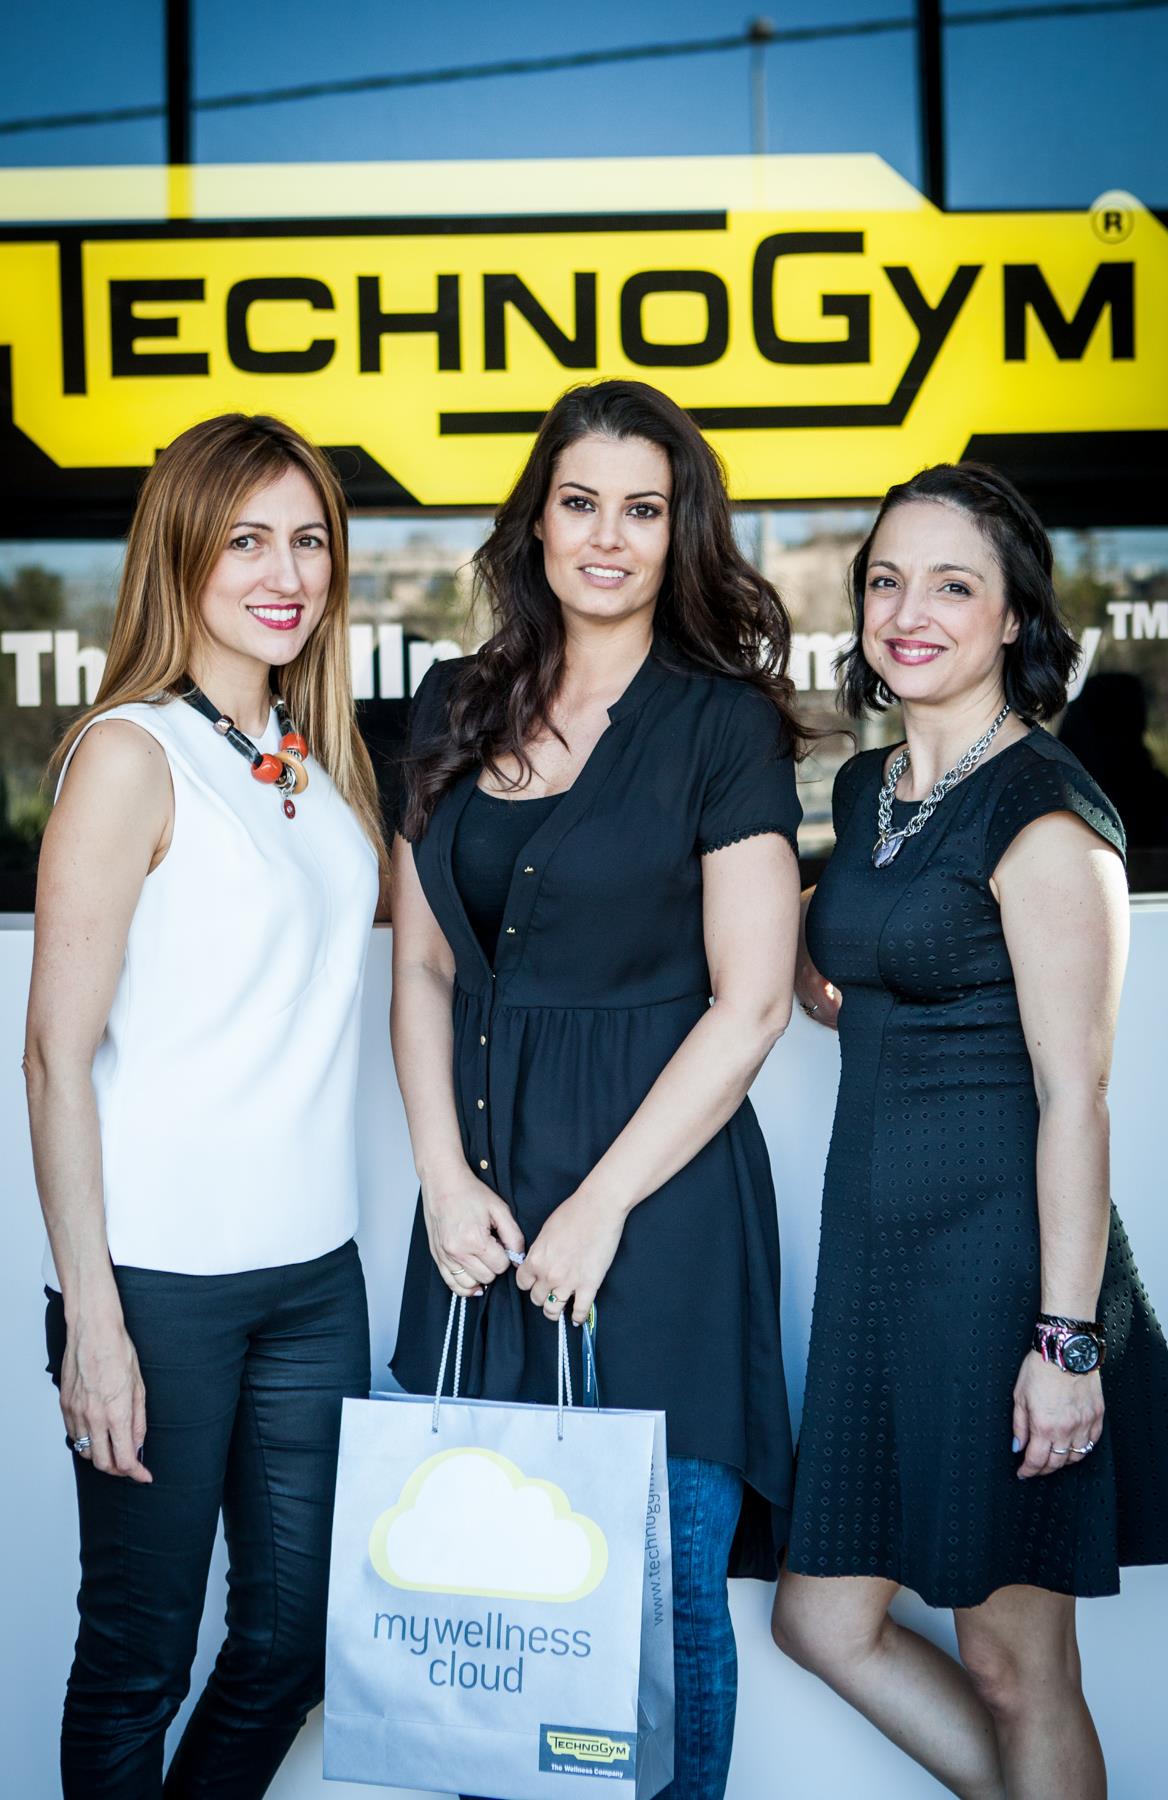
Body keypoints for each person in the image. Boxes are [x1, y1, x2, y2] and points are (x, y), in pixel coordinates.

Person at [389, 378, 804, 1797]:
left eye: (644, 508)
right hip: (480, 1216)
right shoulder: (454, 703)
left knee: (665, 1603)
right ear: (537, 523)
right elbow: (423, 968)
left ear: (681, 530)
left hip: (662, 1217)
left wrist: (602, 1206)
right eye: (580, 504)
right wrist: (441, 1179)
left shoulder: (723, 724)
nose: (608, 537)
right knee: (479, 1607)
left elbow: (753, 1005)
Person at [775, 462, 1168, 1799]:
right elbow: (857, 973)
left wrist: (1066, 1341)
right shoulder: (867, 792)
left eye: (953, 585)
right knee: (822, 1620)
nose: (910, 612)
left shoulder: (1044, 809)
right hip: (881, 1276)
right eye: (887, 581)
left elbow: (1077, 1095)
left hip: (1005, 1282)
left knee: (1016, 1668)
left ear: (1012, 617)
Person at [24, 413, 384, 1797]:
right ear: (182, 551)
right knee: (138, 1660)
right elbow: (54, 1056)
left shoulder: (304, 758)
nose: (285, 573)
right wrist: (94, 1320)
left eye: (308, 541)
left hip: (313, 1277)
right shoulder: (133, 753)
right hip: (160, 1287)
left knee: (293, 1643)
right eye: (246, 540)